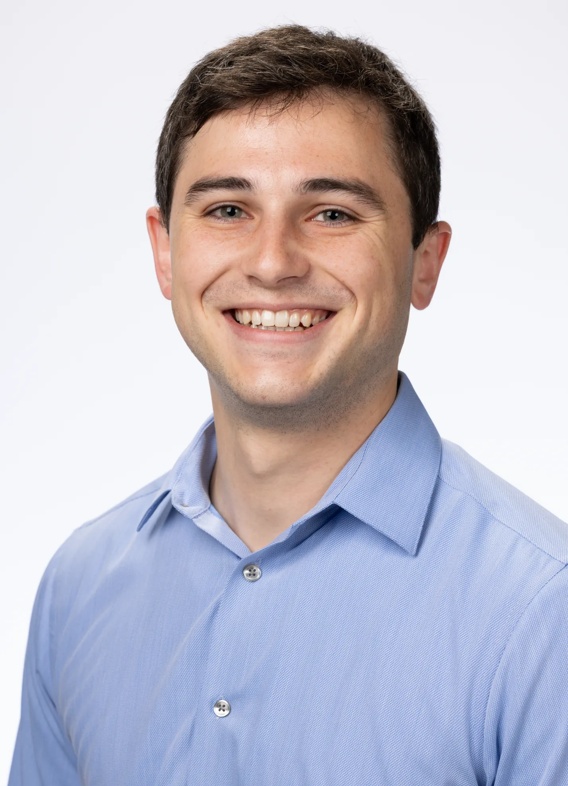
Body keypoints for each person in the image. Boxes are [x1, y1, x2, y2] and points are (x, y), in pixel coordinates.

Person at [9, 24, 568, 786]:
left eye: (333, 213)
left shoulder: (544, 613)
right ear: (165, 252)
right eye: (228, 210)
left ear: (424, 264)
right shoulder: (79, 588)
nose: (273, 263)